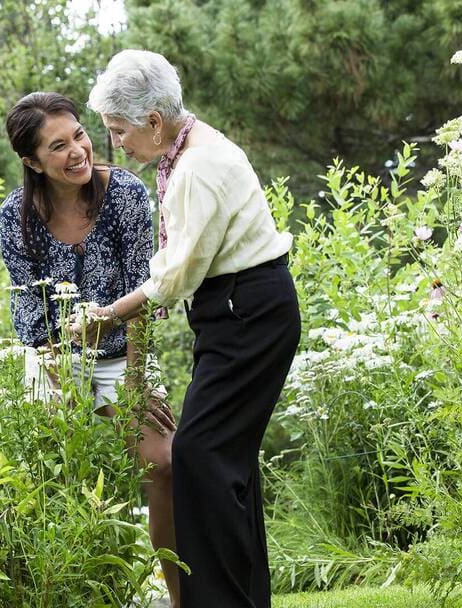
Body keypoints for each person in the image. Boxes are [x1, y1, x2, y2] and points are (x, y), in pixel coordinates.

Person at [80, 50, 301, 608]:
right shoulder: (191, 148)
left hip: (246, 314)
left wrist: (106, 315)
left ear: (154, 121)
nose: (116, 145)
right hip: (244, 311)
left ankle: (219, 602)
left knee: (201, 456)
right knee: (223, 459)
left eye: (118, 130)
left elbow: (174, 277)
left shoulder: (197, 168)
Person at [0, 91, 181, 606]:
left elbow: (146, 289)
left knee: (163, 461)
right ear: (33, 161)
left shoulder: (123, 192)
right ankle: (78, 591)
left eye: (78, 135)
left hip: (124, 353)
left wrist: (139, 377)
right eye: (57, 147)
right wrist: (56, 365)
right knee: (52, 474)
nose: (77, 151)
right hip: (53, 356)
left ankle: (179, 597)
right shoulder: (17, 214)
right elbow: (26, 299)